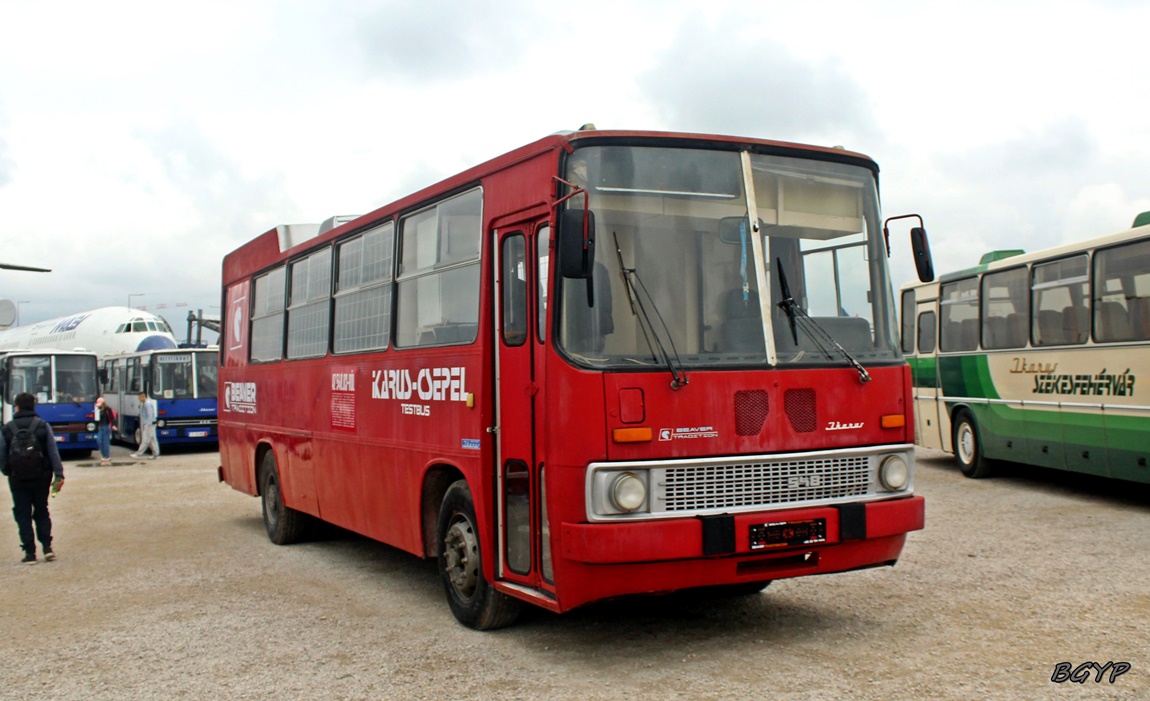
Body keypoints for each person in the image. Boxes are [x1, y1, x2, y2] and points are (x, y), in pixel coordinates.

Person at [1, 392, 65, 564]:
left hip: (18, 478)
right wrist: (58, 473)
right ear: (33, 406)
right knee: (41, 510)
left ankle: (29, 552)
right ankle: (47, 547)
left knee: (22, 513)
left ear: (17, 407)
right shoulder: (42, 426)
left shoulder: (8, 428)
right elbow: (52, 451)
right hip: (41, 476)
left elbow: (2, 455)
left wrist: (8, 471)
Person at [130, 391, 160, 459]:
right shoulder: (144, 403)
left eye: (139, 398)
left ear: (142, 397)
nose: (139, 399)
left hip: (149, 424)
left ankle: (138, 454)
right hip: (151, 423)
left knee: (145, 439)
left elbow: (150, 414)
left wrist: (147, 424)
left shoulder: (147, 404)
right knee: (152, 439)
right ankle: (156, 453)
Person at [94, 397, 117, 465]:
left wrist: (113, 425)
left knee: (105, 442)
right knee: (99, 440)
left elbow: (112, 418)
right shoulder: (98, 409)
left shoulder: (108, 409)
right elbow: (97, 419)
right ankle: (104, 455)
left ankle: (107, 456)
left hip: (107, 426)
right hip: (101, 427)